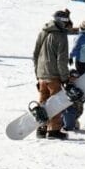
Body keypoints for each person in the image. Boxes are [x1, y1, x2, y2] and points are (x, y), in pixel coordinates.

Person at [32, 9, 72, 139]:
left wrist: (37, 73)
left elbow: (35, 54)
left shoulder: (43, 31)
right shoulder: (61, 36)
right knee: (55, 102)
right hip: (53, 74)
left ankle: (41, 128)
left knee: (43, 102)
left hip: (41, 73)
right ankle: (54, 130)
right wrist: (65, 77)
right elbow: (62, 60)